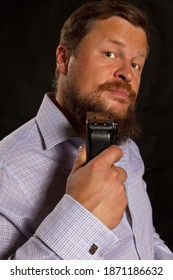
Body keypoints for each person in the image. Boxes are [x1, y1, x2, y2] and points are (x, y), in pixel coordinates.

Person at [0, 0, 172, 260]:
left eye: (136, 64)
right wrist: (82, 217)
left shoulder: (127, 148)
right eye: (110, 54)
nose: (127, 73)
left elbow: (144, 238)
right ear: (64, 59)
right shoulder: (6, 172)